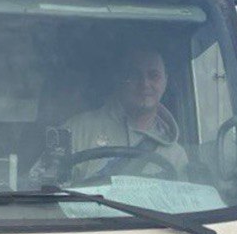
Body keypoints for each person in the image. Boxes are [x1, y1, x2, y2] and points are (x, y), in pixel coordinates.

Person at [62, 47, 189, 181]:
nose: (145, 83)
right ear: (120, 79)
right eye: (134, 75)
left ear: (165, 81)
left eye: (154, 76)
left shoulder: (176, 155)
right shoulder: (76, 131)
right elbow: (49, 188)